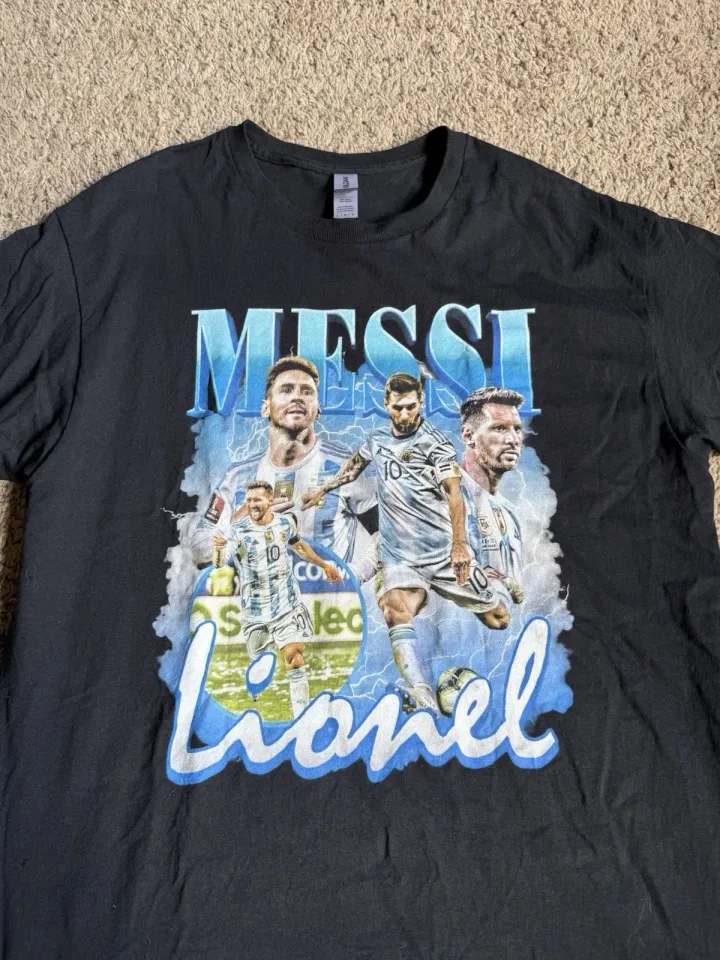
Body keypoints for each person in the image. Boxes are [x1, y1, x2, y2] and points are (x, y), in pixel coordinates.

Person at [302, 373, 509, 713]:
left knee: (498, 619)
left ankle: (500, 584)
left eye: (411, 407)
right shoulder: (377, 440)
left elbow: (454, 493)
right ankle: (423, 697)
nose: (405, 414)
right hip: (399, 557)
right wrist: (323, 489)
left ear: (420, 403)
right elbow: (353, 468)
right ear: (386, 405)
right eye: (398, 408)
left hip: (442, 554)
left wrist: (460, 545)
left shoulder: (434, 444)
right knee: (393, 609)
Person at [191, 356, 377, 578]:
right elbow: (199, 550)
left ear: (318, 410)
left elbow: (392, 535)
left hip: (328, 599)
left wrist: (352, 576)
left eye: (306, 391)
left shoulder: (345, 468)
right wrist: (240, 524)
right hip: (259, 596)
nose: (297, 397)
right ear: (265, 408)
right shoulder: (238, 476)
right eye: (286, 390)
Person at [213, 480, 343, 719]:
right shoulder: (237, 530)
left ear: (270, 500)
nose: (252, 504)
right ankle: (263, 664)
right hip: (255, 613)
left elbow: (299, 547)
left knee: (295, 658)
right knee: (260, 660)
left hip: (286, 606)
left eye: (257, 499)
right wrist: (219, 549)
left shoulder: (284, 523)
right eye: (249, 500)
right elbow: (220, 562)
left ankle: (302, 719)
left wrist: (324, 565)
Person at [459, 387, 525, 608]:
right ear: (469, 436)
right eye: (499, 428)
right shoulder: (439, 495)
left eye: (517, 429)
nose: (513, 440)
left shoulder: (510, 512)